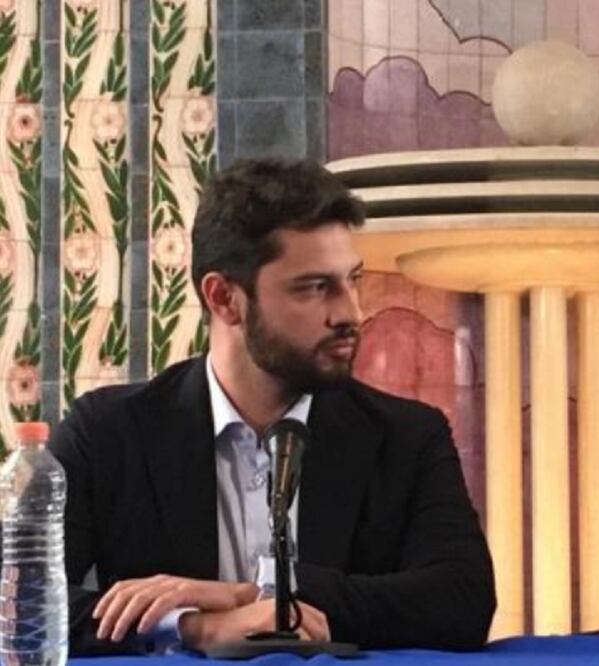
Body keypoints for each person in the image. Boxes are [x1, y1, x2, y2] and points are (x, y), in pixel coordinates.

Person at [49, 158, 496, 654]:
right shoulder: (110, 433)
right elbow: (15, 600)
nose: (351, 312)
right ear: (224, 299)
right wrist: (193, 625)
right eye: (314, 287)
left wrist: (263, 591)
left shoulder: (408, 435)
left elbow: (463, 602)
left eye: (353, 280)